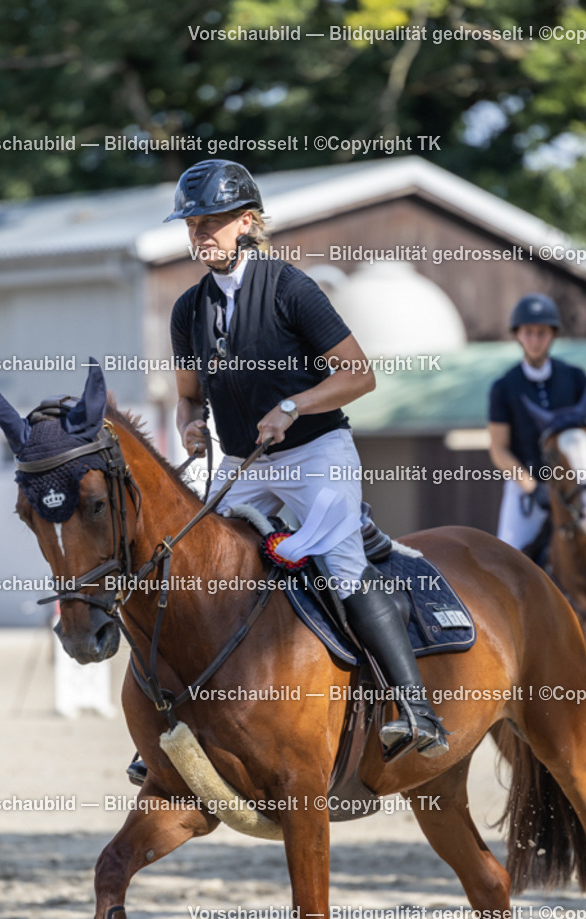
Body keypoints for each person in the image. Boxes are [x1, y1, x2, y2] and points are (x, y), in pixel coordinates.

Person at [165, 158, 448, 759]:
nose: (198, 234)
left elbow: (359, 375)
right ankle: (175, 714)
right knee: (192, 565)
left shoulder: (292, 289)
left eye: (210, 222)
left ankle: (417, 710)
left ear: (247, 222)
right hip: (242, 463)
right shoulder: (188, 310)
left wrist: (291, 406)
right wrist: (189, 426)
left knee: (342, 566)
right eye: (191, 224)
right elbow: (188, 396)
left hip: (315, 453)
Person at [488, 293, 586, 551]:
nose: (535, 340)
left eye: (542, 333)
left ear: (552, 335)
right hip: (527, 488)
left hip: (579, 485)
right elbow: (498, 449)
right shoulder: (503, 387)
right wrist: (532, 487)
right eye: (528, 332)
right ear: (518, 335)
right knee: (507, 554)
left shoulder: (576, 378)